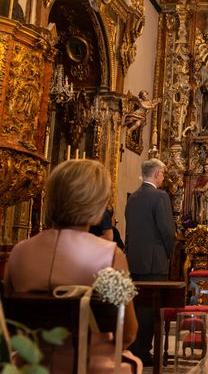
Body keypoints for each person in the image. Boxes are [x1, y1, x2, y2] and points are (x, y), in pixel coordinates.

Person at [4, 160, 141, 373]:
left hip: (30, 365)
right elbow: (128, 332)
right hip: (89, 365)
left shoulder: (19, 252)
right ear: (95, 202)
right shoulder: (110, 256)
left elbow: (9, 325)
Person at [125, 158, 176, 366]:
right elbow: (166, 230)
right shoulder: (160, 196)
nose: (163, 178)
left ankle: (133, 347)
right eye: (162, 174)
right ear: (156, 174)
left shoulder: (133, 197)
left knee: (136, 305)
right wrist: (169, 252)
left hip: (134, 260)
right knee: (150, 308)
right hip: (155, 262)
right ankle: (143, 352)